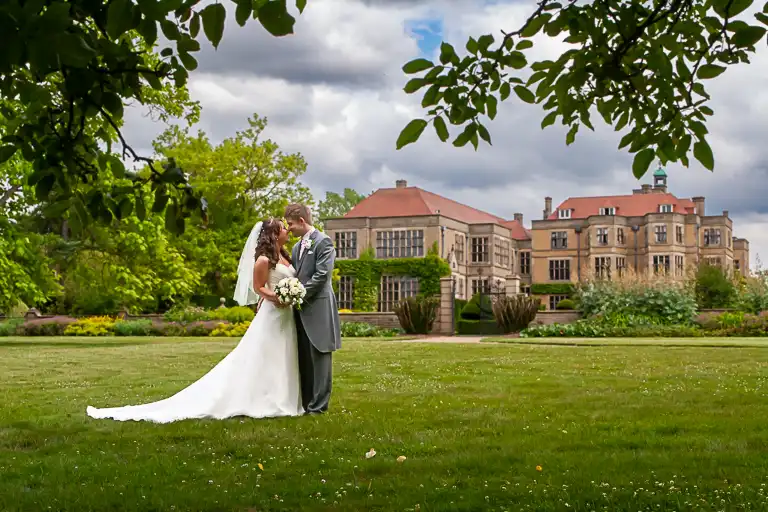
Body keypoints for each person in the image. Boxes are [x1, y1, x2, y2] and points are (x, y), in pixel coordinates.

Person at [85, 219, 304, 423]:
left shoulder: (286, 256)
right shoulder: (264, 260)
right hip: (272, 313)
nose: (287, 229)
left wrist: (291, 295)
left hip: (286, 315)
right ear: (273, 234)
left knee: (282, 354)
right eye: (282, 227)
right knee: (265, 355)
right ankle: (264, 401)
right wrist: (277, 297)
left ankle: (282, 397)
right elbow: (259, 288)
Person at [284, 203, 342, 415]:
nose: (288, 228)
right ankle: (307, 403)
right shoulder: (297, 247)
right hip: (300, 310)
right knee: (305, 359)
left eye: (290, 224)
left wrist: (297, 294)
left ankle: (319, 406)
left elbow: (321, 276)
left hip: (319, 307)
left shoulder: (323, 242)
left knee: (320, 357)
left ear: (301, 221)